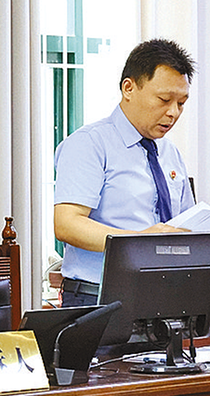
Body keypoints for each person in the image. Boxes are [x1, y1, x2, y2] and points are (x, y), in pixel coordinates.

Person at [54, 38, 197, 306]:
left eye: (181, 103)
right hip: (99, 297)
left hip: (163, 294)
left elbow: (184, 223)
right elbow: (67, 225)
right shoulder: (90, 144)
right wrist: (140, 241)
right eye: (164, 99)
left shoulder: (170, 153)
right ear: (128, 88)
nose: (173, 112)